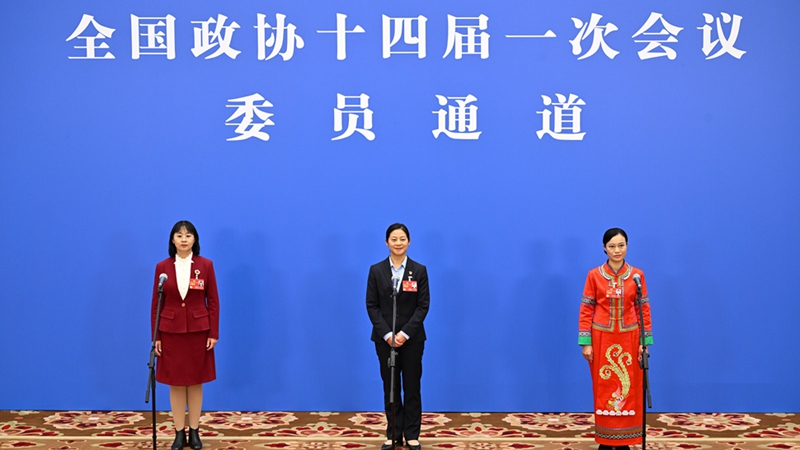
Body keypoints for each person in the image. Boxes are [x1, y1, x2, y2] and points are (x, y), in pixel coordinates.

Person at [578, 228, 653, 450]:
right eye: (611, 246)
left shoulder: (637, 275)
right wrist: (586, 342)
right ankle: (605, 439)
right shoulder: (594, 275)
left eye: (621, 245)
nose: (617, 250)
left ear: (627, 246)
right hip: (602, 339)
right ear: (604, 248)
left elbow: (643, 310)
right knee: (604, 388)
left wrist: (644, 342)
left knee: (630, 388)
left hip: (630, 339)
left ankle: (625, 440)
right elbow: (586, 309)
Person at [151, 220, 219, 450]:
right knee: (177, 383)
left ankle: (195, 431)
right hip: (170, 333)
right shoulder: (162, 268)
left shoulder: (205, 265)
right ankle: (179, 433)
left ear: (194, 239)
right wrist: (156, 337)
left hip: (199, 333)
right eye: (179, 235)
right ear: (172, 239)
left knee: (195, 382)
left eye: (188, 235)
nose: (183, 239)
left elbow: (213, 302)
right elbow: (156, 305)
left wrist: (213, 332)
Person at [366, 223, 430, 450]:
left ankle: (412, 434)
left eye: (402, 238)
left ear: (409, 242)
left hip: (412, 340)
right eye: (394, 239)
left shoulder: (419, 270)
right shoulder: (376, 270)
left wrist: (404, 334)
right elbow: (371, 305)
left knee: (412, 386)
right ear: (386, 242)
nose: (398, 243)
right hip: (385, 340)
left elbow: (423, 306)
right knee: (391, 388)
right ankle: (393, 433)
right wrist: (387, 334)